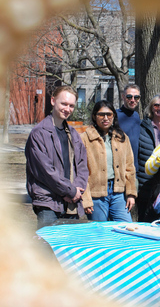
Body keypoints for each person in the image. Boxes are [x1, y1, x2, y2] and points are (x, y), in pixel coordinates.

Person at [25, 85, 89, 229]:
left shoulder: (73, 135)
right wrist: (70, 191)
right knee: (47, 249)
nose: (67, 109)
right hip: (48, 203)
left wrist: (76, 190)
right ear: (53, 101)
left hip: (71, 203)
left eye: (71, 105)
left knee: (69, 250)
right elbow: (45, 171)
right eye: (64, 104)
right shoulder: (39, 133)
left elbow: (82, 166)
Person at [80, 100, 137, 222]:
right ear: (95, 116)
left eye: (109, 114)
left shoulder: (122, 138)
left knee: (126, 228)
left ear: (114, 116)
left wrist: (131, 193)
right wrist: (86, 198)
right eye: (101, 114)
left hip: (118, 193)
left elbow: (129, 168)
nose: (105, 118)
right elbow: (80, 171)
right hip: (96, 195)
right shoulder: (84, 139)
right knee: (99, 234)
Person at [137, 94, 160, 221]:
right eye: (156, 105)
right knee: (144, 219)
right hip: (145, 181)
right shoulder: (142, 127)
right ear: (151, 108)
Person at [116, 84, 141, 173]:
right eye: (129, 97)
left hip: (134, 170)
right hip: (119, 170)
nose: (133, 100)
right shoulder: (114, 116)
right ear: (123, 97)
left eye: (136, 97)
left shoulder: (137, 116)